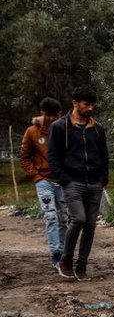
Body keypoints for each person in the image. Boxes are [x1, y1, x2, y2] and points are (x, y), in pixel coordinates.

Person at [47, 86, 109, 281]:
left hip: (94, 183)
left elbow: (104, 155)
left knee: (91, 225)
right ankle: (65, 261)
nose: (90, 108)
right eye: (86, 104)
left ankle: (81, 266)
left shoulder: (97, 129)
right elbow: (53, 156)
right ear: (75, 103)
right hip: (72, 181)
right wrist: (63, 179)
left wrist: (103, 178)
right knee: (79, 219)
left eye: (92, 105)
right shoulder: (59, 127)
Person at [19, 97, 67, 269]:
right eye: (49, 116)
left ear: (60, 114)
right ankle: (55, 253)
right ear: (43, 114)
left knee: (64, 218)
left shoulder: (64, 130)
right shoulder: (32, 132)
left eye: (56, 115)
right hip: (44, 180)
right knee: (51, 216)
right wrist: (35, 176)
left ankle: (64, 252)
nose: (53, 119)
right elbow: (24, 157)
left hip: (62, 180)